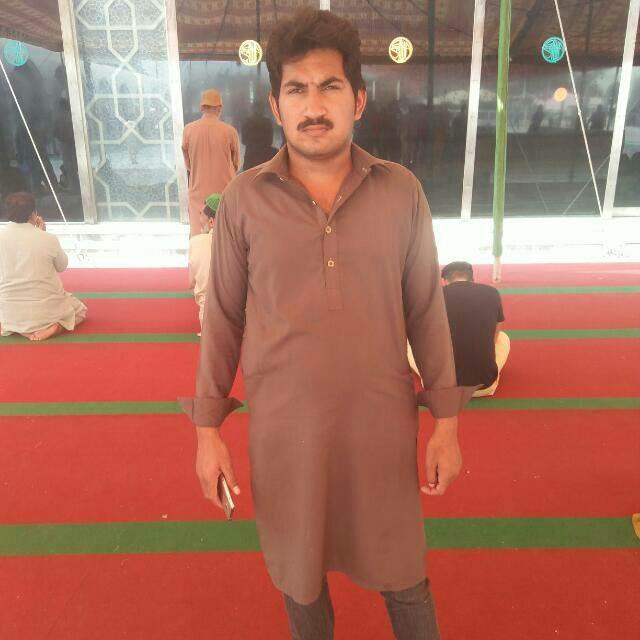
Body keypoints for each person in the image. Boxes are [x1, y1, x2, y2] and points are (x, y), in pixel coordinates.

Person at [180, 9, 475, 639]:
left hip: (381, 429)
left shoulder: (401, 192)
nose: (313, 107)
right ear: (276, 105)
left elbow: (427, 310)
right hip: (285, 434)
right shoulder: (243, 200)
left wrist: (446, 425)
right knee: (300, 578)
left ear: (358, 99)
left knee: (404, 572)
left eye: (329, 87)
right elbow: (222, 318)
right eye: (297, 89)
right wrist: (208, 433)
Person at [409, 261, 510, 397]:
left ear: (444, 281)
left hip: (441, 387)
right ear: (472, 279)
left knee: (411, 343)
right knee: (503, 338)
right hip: (484, 384)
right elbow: (496, 331)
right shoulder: (492, 292)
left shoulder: (433, 297)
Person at [0, 192, 86, 341]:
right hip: (45, 311)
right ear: (33, 213)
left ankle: (13, 326)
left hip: (9, 311)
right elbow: (61, 266)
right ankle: (57, 326)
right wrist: (42, 233)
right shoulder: (48, 238)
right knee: (80, 310)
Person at [182, 89, 240, 236]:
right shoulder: (230, 131)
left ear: (202, 107)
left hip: (197, 193)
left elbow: (188, 164)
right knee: (225, 236)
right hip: (223, 193)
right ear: (220, 108)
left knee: (198, 236)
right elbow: (236, 164)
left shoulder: (188, 130)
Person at [188, 193, 219, 334]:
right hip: (238, 313)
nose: (199, 218)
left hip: (206, 313)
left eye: (201, 214)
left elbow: (190, 282)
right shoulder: (239, 242)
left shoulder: (196, 242)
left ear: (211, 221)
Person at [241, 103, 277, 171]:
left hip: (250, 156)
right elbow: (270, 141)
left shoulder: (247, 121)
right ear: (263, 110)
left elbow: (244, 141)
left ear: (252, 109)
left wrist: (253, 143)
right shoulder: (267, 122)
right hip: (265, 156)